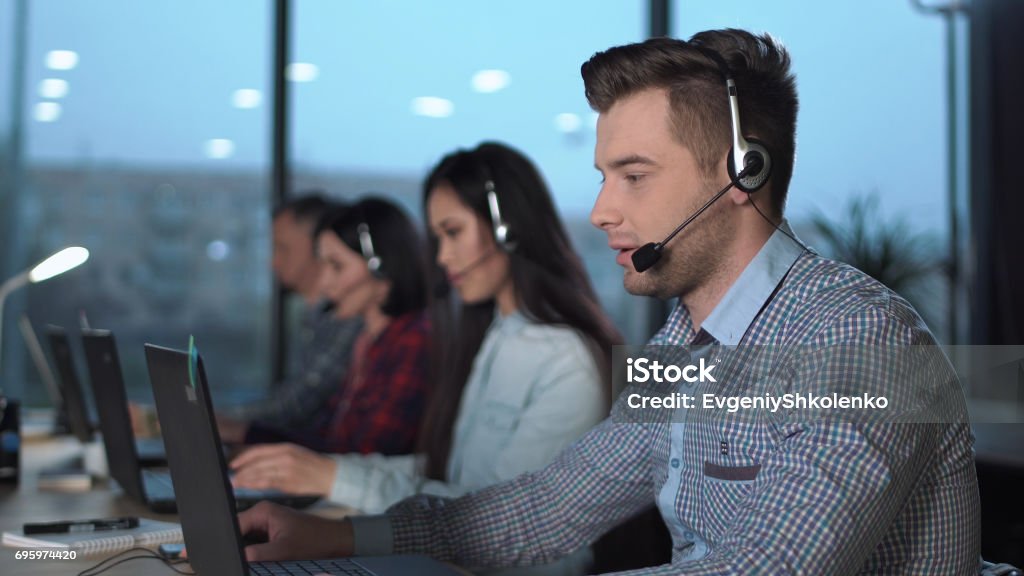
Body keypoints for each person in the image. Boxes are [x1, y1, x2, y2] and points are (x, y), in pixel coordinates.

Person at [234, 30, 981, 574]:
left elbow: (769, 567)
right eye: (601, 176)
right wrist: (333, 539)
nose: (600, 211)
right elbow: (547, 509)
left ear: (741, 174)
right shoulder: (679, 350)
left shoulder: (864, 340)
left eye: (633, 176)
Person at [231, 142, 621, 576]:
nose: (441, 257)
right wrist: (328, 471)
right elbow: (447, 478)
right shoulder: (495, 336)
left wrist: (333, 481)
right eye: (437, 238)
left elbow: (505, 519)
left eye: (453, 233)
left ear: (507, 227)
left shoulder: (566, 361)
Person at [239, 197, 431, 456]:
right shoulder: (367, 341)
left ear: (382, 267)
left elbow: (369, 453)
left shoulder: (413, 342)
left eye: (336, 266)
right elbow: (327, 436)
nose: (325, 283)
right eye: (323, 264)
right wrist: (250, 437)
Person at [217, 194, 361, 441]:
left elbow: (297, 405)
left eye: (282, 248)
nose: (273, 262)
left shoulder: (350, 320)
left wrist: (220, 423)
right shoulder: (315, 317)